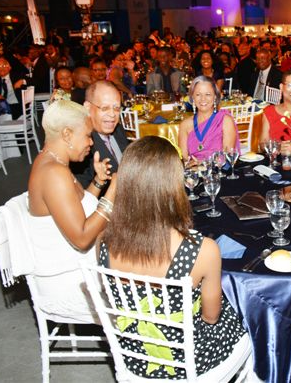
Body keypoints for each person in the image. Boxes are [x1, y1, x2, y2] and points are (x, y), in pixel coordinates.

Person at [98, 136, 247, 378]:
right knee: (246, 316)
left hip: (137, 357)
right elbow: (211, 317)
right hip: (187, 362)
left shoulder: (104, 242)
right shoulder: (202, 249)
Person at [27, 100, 115, 322]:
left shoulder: (54, 163)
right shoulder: (53, 173)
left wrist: (98, 182)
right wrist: (114, 191)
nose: (90, 142)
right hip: (71, 284)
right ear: (67, 134)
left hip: (76, 266)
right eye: (87, 135)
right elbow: (82, 239)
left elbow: (77, 207)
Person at [71, 81, 130, 187]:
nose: (112, 114)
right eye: (105, 108)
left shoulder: (118, 129)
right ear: (87, 107)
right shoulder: (81, 146)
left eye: (116, 108)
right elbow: (83, 192)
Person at [178, 76, 238, 161]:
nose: (203, 99)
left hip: (219, 168)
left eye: (208, 94)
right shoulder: (185, 125)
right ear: (192, 97)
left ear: (215, 97)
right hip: (193, 169)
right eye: (198, 94)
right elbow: (183, 159)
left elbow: (228, 157)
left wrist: (203, 164)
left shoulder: (225, 120)